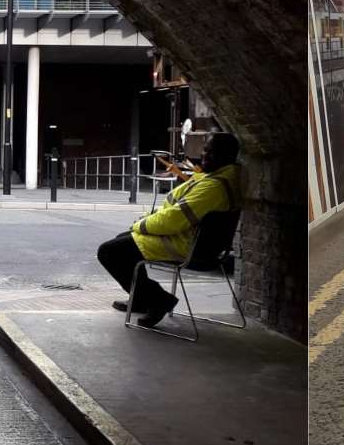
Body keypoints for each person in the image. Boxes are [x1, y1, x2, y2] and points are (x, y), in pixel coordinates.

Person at [99, 132, 241, 328]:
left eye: (212, 152)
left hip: (187, 245)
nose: (205, 155)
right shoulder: (219, 177)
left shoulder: (213, 186)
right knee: (121, 242)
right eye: (205, 149)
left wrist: (141, 225)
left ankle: (159, 300)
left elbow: (174, 220)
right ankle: (141, 299)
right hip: (191, 240)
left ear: (228, 156)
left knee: (109, 251)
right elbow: (176, 214)